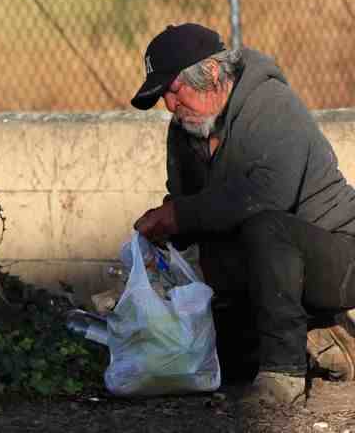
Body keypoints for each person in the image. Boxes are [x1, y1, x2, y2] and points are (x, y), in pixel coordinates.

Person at [130, 23, 355, 404]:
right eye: (162, 96)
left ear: (213, 74)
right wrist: (164, 230)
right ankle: (318, 333)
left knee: (267, 227)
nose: (169, 105)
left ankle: (284, 372)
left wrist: (181, 215)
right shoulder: (185, 130)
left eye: (174, 90)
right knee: (219, 364)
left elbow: (268, 197)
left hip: (337, 256)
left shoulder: (271, 105)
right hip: (265, 271)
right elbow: (190, 209)